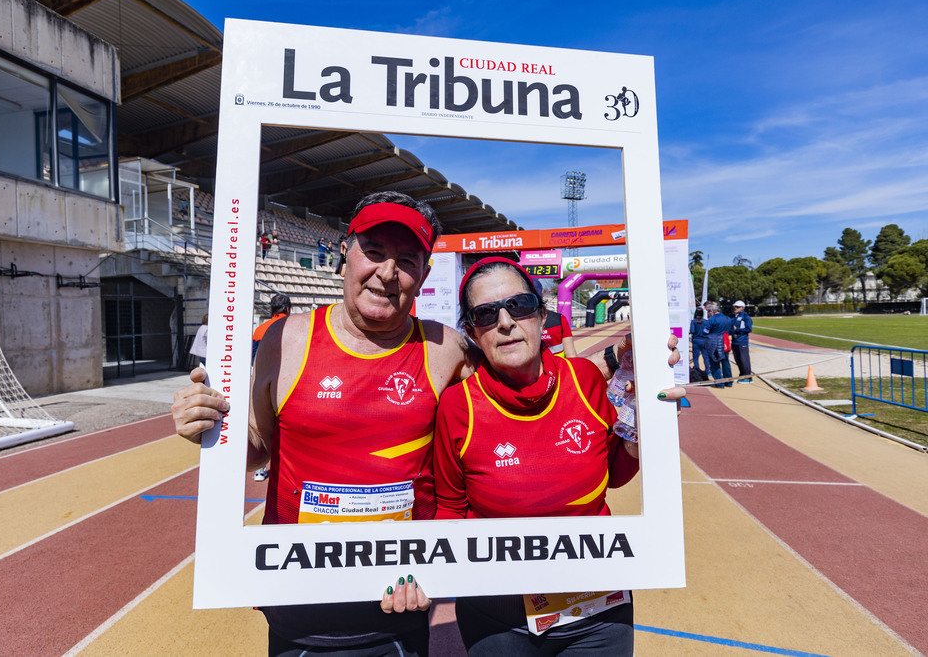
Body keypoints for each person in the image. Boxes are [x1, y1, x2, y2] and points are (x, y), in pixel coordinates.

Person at [172, 191, 474, 656]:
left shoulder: (446, 349)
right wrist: (207, 425)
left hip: (402, 602)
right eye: (373, 252)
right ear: (343, 256)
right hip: (299, 604)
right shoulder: (286, 338)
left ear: (425, 275)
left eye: (407, 260)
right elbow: (255, 446)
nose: (388, 273)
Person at [392, 257, 670, 655]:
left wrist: (646, 421)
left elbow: (612, 472)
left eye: (519, 306)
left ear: (542, 316)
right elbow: (450, 510)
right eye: (486, 314)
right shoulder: (458, 407)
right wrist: (420, 575)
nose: (505, 322)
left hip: (596, 609)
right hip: (496, 614)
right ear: (472, 332)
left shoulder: (585, 379)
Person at [252, 294, 291, 362]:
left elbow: (253, 357)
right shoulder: (293, 327)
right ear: (287, 309)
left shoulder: (259, 329)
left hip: (263, 370)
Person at [702, 302, 732, 387]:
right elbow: (731, 331)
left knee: (714, 362)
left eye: (708, 311)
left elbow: (705, 331)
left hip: (714, 342)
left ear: (712, 311)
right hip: (725, 341)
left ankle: (719, 383)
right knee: (726, 362)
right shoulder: (727, 318)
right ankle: (729, 382)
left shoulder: (712, 319)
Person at [730, 300, 753, 383]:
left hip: (742, 341)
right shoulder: (733, 316)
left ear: (743, 308)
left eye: (738, 307)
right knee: (738, 359)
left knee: (744, 359)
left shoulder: (746, 317)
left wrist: (738, 329)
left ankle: (748, 376)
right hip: (735, 340)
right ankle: (742, 374)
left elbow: (748, 329)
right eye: (735, 306)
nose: (735, 308)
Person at [689, 307, 707, 374]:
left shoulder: (693, 321)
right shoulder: (706, 321)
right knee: (706, 357)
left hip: (696, 340)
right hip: (704, 340)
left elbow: (692, 331)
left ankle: (697, 371)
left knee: (695, 358)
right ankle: (707, 371)